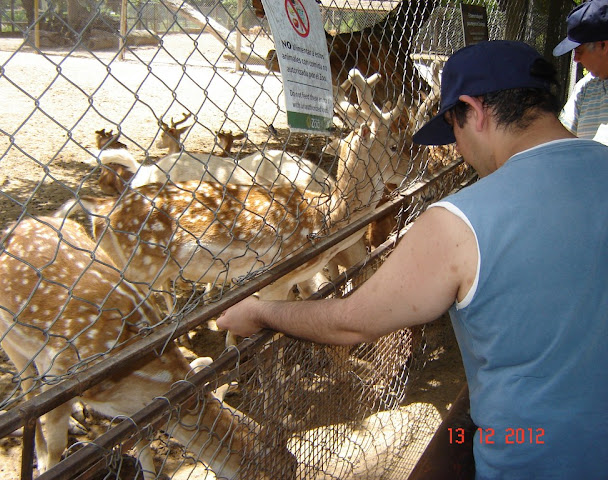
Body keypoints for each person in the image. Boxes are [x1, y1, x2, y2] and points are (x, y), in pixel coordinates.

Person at [217, 40, 608, 479]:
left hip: (533, 455)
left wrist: (261, 311)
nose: (458, 150)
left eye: (454, 132)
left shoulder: (460, 221)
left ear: (473, 110)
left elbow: (351, 322)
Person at [553, 0, 608, 144]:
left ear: (603, 45)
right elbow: (561, 143)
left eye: (579, 51)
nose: (576, 59)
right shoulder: (585, 88)